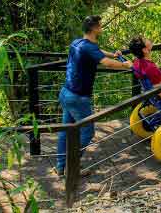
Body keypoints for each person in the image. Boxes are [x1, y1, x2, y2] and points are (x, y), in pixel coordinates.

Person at [55, 15, 132, 175]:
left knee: (66, 130)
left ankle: (61, 166)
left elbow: (97, 51)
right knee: (88, 131)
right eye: (100, 25)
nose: (101, 28)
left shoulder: (78, 42)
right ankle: (72, 166)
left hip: (66, 92)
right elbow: (107, 64)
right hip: (78, 97)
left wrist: (112, 54)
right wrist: (125, 65)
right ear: (95, 28)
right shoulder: (89, 47)